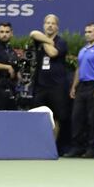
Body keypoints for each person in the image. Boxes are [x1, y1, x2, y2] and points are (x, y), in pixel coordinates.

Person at [64, 23, 94, 158]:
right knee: (77, 118)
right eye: (86, 32)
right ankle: (77, 147)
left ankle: (93, 148)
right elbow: (79, 69)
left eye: (90, 32)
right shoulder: (83, 50)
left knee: (93, 119)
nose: (87, 34)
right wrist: (74, 86)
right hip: (82, 87)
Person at [29, 14, 69, 148]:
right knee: (38, 115)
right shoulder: (40, 38)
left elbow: (52, 53)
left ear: (57, 27)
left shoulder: (62, 42)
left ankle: (52, 147)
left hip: (57, 87)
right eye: (47, 23)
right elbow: (33, 33)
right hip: (40, 86)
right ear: (44, 25)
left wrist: (46, 42)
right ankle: (37, 146)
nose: (50, 25)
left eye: (52, 23)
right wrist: (49, 41)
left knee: (57, 117)